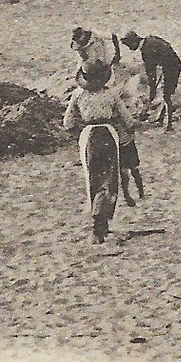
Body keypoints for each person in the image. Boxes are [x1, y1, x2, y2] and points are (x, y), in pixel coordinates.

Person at [62, 60, 136, 244]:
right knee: (109, 180)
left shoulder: (78, 95)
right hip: (109, 135)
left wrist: (81, 130)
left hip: (88, 137)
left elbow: (68, 123)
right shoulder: (111, 95)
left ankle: (97, 224)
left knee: (92, 178)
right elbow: (128, 120)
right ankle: (101, 222)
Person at [117, 30, 181, 132]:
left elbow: (151, 74)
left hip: (172, 67)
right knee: (165, 94)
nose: (129, 48)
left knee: (166, 96)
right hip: (168, 64)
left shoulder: (147, 51)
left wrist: (152, 92)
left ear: (134, 41)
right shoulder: (150, 40)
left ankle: (169, 125)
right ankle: (161, 118)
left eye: (129, 45)